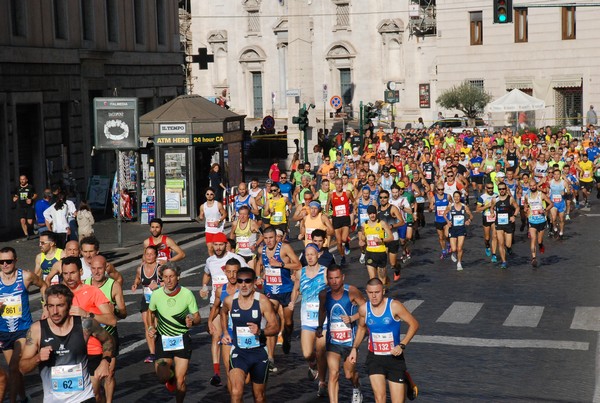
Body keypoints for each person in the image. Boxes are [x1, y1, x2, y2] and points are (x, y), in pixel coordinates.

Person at [19, 284, 114, 403]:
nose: (55, 311)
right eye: (51, 306)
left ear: (69, 306)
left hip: (83, 398)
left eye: (60, 306)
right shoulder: (37, 330)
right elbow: (22, 367)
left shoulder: (85, 325)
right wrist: (37, 358)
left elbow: (108, 340)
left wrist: (105, 361)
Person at [349, 278, 419, 403]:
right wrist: (354, 348)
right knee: (379, 398)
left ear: (383, 291)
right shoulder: (364, 309)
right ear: (366, 292)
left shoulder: (394, 306)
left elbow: (414, 324)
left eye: (377, 292)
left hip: (394, 358)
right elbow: (361, 328)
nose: (374, 296)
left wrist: (402, 345)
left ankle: (406, 379)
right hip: (375, 358)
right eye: (370, 293)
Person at [61, 256, 117, 402]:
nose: (69, 277)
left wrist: (87, 313)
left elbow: (111, 320)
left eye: (72, 273)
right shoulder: (57, 294)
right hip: (67, 351)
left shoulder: (93, 292)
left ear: (80, 272)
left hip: (92, 351)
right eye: (65, 273)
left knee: (93, 392)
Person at [220, 267, 279, 403]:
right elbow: (222, 312)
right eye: (240, 281)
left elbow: (275, 327)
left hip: (259, 353)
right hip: (239, 352)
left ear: (253, 283)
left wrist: (261, 331)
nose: (244, 285)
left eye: (247, 281)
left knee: (259, 397)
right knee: (236, 392)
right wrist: (225, 332)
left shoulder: (262, 301)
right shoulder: (230, 301)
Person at [147, 262, 201, 402]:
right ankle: (169, 379)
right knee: (162, 377)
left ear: (178, 277)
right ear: (162, 278)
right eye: (166, 277)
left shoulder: (187, 294)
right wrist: (150, 327)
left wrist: (192, 321)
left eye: (172, 276)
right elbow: (150, 312)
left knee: (181, 380)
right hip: (163, 339)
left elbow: (197, 317)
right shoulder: (157, 294)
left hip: (182, 340)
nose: (169, 280)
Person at [200, 232, 248, 387]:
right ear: (212, 246)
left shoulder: (236, 258)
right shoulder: (210, 260)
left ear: (226, 245)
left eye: (221, 244)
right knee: (216, 335)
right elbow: (207, 274)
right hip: (218, 302)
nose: (218, 247)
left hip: (236, 302)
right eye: (216, 245)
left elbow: (248, 272)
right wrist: (204, 286)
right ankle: (216, 373)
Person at [0, 246, 46, 403]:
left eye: (8, 261)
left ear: (15, 261)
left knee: (13, 367)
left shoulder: (26, 276)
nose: (5, 264)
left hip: (23, 328)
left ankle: (13, 400)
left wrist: (45, 306)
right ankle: (23, 397)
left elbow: (44, 285)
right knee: (16, 371)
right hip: (3, 331)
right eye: (1, 262)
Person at [317, 265, 365, 403]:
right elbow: (322, 311)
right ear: (327, 279)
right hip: (333, 341)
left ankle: (356, 386)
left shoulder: (352, 292)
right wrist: (320, 326)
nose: (334, 281)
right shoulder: (323, 294)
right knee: (333, 373)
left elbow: (366, 310)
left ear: (342, 277)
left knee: (349, 374)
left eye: (337, 278)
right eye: (331, 278)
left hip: (350, 341)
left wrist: (352, 318)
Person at [256, 226, 301, 369]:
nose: (269, 241)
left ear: (276, 238)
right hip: (271, 291)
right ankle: (270, 357)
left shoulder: (284, 248)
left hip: (286, 290)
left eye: (271, 238)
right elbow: (259, 264)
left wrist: (281, 264)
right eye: (266, 238)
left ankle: (287, 337)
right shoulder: (261, 250)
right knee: (272, 321)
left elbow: (298, 264)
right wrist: (259, 277)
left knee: (287, 323)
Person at [84, 255, 127, 403]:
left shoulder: (113, 285)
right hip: (91, 339)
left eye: (100, 269)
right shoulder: (85, 285)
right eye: (93, 268)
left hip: (109, 336)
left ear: (105, 268)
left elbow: (124, 313)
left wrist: (113, 310)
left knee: (109, 374)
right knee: (95, 383)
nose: (96, 272)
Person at [296, 244, 328, 397]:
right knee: (308, 353)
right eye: (307, 254)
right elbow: (296, 289)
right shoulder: (300, 272)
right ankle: (312, 364)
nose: (309, 257)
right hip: (307, 319)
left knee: (321, 352)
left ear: (318, 255)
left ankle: (322, 382)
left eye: (312, 254)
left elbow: (334, 288)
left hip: (323, 319)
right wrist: (291, 302)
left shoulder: (325, 272)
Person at [206, 258, 241, 391]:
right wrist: (209, 321)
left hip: (244, 333)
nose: (232, 275)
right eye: (229, 272)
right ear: (225, 272)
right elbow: (215, 307)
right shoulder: (221, 290)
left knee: (246, 377)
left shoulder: (245, 288)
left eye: (235, 272)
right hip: (229, 333)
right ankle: (234, 397)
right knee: (229, 371)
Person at [130, 245, 162, 364]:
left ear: (156, 256)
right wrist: (135, 284)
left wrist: (158, 286)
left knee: (157, 326)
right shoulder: (140, 268)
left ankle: (160, 349)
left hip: (158, 301)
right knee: (147, 325)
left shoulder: (160, 269)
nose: (149, 256)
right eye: (147, 254)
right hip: (147, 300)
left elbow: (168, 283)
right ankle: (152, 353)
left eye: (151, 254)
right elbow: (138, 278)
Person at [358, 205, 393, 283]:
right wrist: (362, 242)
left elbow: (391, 237)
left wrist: (381, 240)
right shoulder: (364, 225)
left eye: (374, 213)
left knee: (382, 279)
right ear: (368, 214)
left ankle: (384, 288)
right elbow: (363, 238)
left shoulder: (382, 223)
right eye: (370, 214)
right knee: (372, 279)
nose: (372, 215)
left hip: (380, 253)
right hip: (370, 253)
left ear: (376, 213)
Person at [524, 179, 553, 268]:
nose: (532, 187)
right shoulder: (527, 196)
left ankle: (541, 245)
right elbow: (525, 205)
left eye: (534, 185)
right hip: (532, 220)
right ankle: (534, 258)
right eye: (531, 186)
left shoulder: (541, 195)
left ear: (536, 186)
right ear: (529, 186)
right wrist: (526, 209)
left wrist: (544, 210)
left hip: (541, 220)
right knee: (533, 239)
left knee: (539, 241)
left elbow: (551, 204)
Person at [490, 183, 519, 269]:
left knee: (508, 244)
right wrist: (492, 213)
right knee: (501, 243)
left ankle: (509, 249)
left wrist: (514, 216)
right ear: (498, 190)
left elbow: (517, 207)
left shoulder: (510, 199)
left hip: (508, 224)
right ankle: (504, 261)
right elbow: (492, 208)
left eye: (503, 189)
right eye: (500, 189)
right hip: (499, 224)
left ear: (506, 189)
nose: (502, 190)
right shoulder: (495, 199)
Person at [444, 191, 474, 271]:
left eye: (458, 196)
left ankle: (459, 263)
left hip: (461, 229)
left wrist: (469, 220)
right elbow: (444, 214)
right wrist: (447, 222)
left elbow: (471, 215)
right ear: (453, 198)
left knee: (460, 248)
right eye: (455, 197)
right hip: (453, 229)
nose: (456, 198)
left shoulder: (464, 206)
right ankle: (453, 253)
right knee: (454, 249)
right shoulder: (451, 206)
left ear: (460, 197)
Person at [329, 178, 354, 266]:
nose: (339, 186)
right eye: (337, 184)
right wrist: (329, 215)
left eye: (340, 184)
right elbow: (328, 205)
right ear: (335, 185)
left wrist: (353, 212)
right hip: (336, 218)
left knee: (343, 239)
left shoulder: (347, 193)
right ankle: (342, 256)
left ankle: (346, 242)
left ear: (342, 185)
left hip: (345, 218)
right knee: (339, 242)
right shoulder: (331, 194)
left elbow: (353, 202)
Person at [198, 187, 227, 256]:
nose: (209, 196)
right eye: (207, 194)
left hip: (218, 230)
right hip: (208, 230)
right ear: (205, 195)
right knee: (210, 248)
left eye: (211, 194)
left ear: (214, 195)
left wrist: (219, 220)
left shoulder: (218, 204)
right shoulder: (202, 206)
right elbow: (201, 216)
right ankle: (212, 262)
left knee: (219, 249)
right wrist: (200, 218)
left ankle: (221, 260)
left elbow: (225, 214)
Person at [11, 174, 37, 240]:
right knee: (22, 221)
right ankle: (26, 235)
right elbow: (16, 195)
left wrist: (31, 199)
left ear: (26, 180)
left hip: (29, 207)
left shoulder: (30, 187)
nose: (22, 181)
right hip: (21, 207)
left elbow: (35, 195)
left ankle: (35, 224)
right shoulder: (18, 188)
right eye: (21, 179)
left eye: (23, 179)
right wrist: (15, 198)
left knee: (30, 222)